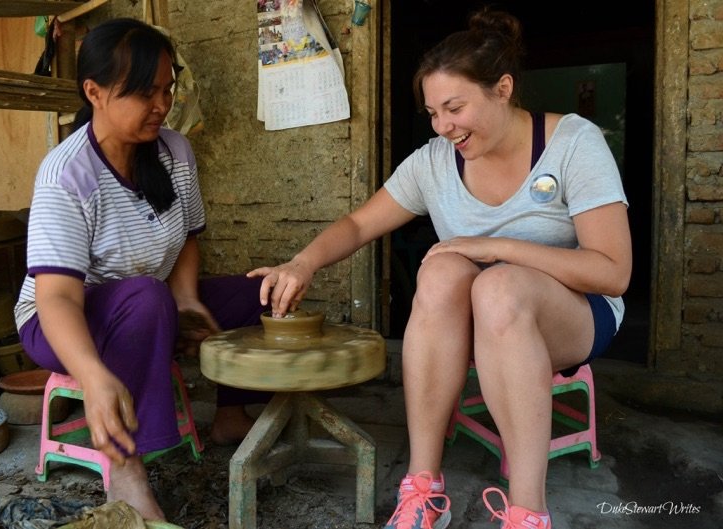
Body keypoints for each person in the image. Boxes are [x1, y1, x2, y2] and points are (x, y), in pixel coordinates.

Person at [247, 8, 631, 529]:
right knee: (441, 273)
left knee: (496, 285)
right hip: (484, 318)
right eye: (433, 112)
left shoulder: (571, 144)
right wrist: (303, 261)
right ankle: (422, 492)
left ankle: (526, 513)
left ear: (503, 88)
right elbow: (360, 225)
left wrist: (496, 248)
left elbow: (612, 273)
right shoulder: (434, 160)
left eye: (455, 107)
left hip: (575, 314)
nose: (443, 126)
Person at [13, 18, 267, 521]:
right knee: (146, 297)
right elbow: (57, 297)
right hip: (59, 321)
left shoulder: (174, 151)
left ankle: (231, 416)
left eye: (166, 90)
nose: (161, 105)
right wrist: (91, 375)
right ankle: (125, 469)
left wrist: (189, 299)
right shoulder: (67, 174)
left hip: (147, 301)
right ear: (96, 92)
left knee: (258, 293)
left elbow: (189, 238)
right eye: (144, 93)